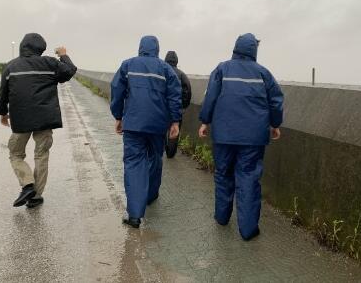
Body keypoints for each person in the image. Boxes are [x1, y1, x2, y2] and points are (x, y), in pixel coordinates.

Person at [198, 33, 284, 241]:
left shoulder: (222, 69)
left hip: (224, 135)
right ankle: (247, 230)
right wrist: (275, 124)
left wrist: (205, 121)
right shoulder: (263, 74)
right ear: (254, 50)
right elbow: (276, 101)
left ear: (235, 48)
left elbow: (211, 97)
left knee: (223, 174)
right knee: (248, 178)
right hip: (253, 138)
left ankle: (222, 217)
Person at [0, 33, 77, 208]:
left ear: (22, 46)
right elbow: (70, 71)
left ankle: (27, 185)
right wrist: (63, 54)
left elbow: (3, 93)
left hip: (21, 119)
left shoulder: (11, 67)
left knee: (16, 154)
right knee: (41, 155)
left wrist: (3, 112)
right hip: (45, 119)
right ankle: (35, 195)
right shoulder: (50, 64)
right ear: (41, 48)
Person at [110, 35, 182, 228]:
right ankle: (150, 196)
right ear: (157, 49)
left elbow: (116, 90)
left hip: (133, 123)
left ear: (140, 48)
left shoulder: (128, 65)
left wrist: (118, 116)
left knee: (134, 163)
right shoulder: (166, 69)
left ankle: (135, 214)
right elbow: (175, 96)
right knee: (155, 158)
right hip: (158, 126)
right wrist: (174, 121)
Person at [164, 51, 192, 158]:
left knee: (161, 129)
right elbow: (187, 91)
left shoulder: (162, 71)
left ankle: (160, 147)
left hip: (161, 107)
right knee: (174, 129)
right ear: (176, 61)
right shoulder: (181, 74)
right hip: (176, 108)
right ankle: (170, 153)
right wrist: (183, 105)